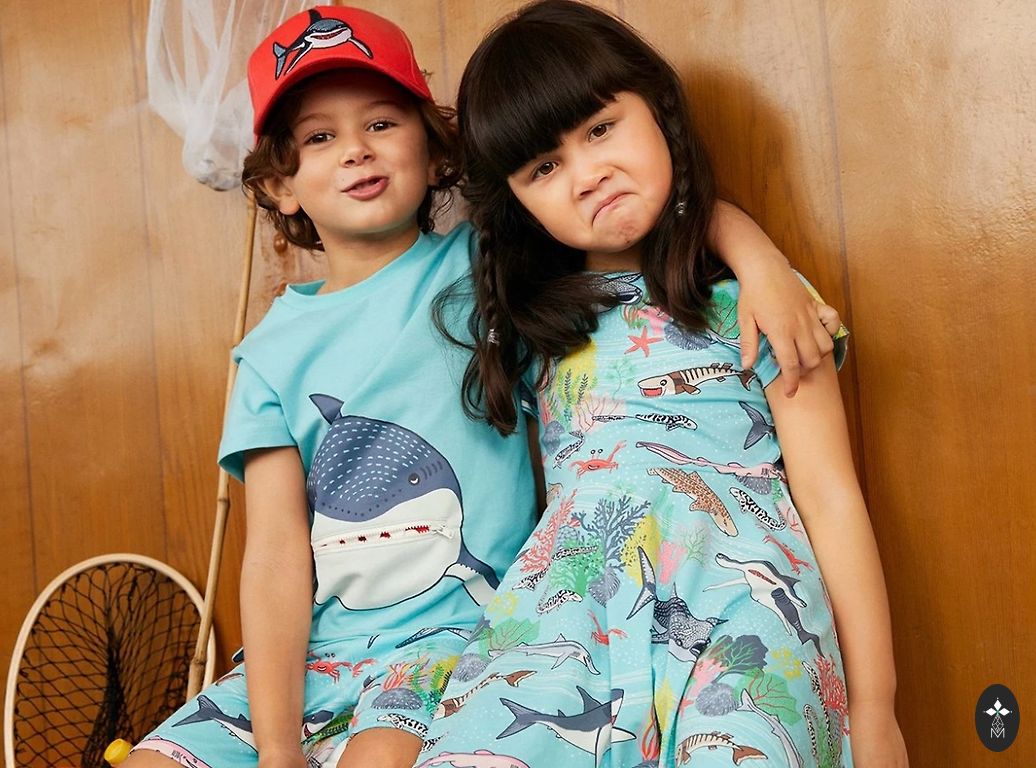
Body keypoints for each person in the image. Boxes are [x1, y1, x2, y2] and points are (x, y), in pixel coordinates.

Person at [125, 6, 845, 768]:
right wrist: (276, 748)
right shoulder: (267, 354)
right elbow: (273, 556)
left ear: (436, 151)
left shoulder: (489, 269)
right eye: (319, 137)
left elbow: (638, 213)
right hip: (310, 656)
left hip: (452, 644)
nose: (357, 151)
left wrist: (760, 262)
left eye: (381, 123)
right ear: (279, 183)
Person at [418, 2, 907, 768]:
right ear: (516, 205)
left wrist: (876, 709)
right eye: (543, 169)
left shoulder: (759, 306)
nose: (587, 176)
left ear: (660, 109)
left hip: (741, 611)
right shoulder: (533, 332)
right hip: (569, 614)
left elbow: (833, 498)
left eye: (600, 129)